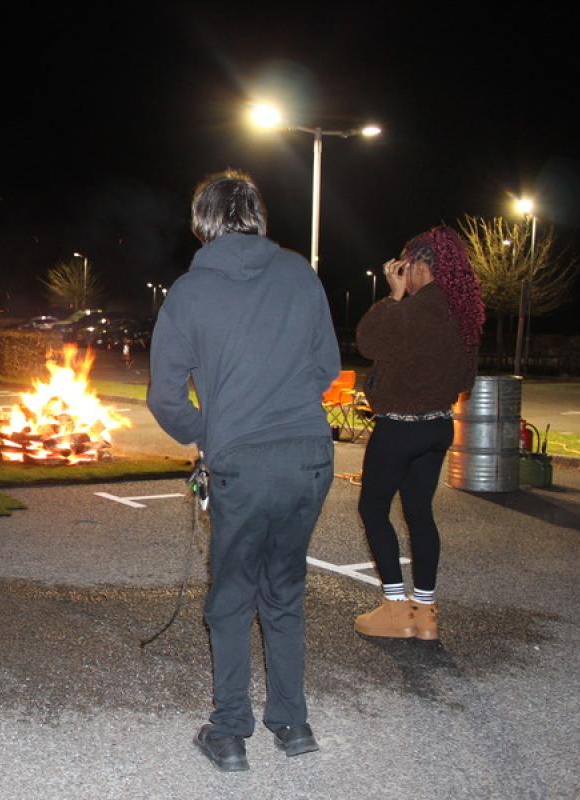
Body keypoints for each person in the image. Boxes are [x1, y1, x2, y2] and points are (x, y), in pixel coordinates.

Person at [147, 170, 340, 772]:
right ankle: (294, 723)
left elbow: (165, 396)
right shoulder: (300, 275)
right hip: (309, 454)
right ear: (256, 214)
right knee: (283, 590)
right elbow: (327, 366)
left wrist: (212, 431)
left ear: (202, 222)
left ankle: (230, 732)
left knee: (231, 596)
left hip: (241, 462)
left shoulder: (189, 291)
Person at [353, 226, 483, 641]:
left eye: (405, 266)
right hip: (437, 427)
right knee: (419, 512)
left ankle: (395, 609)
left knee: (374, 508)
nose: (401, 274)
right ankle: (425, 611)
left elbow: (368, 340)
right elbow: (466, 376)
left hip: (400, 428)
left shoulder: (418, 308)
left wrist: (393, 295)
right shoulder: (460, 313)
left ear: (421, 265)